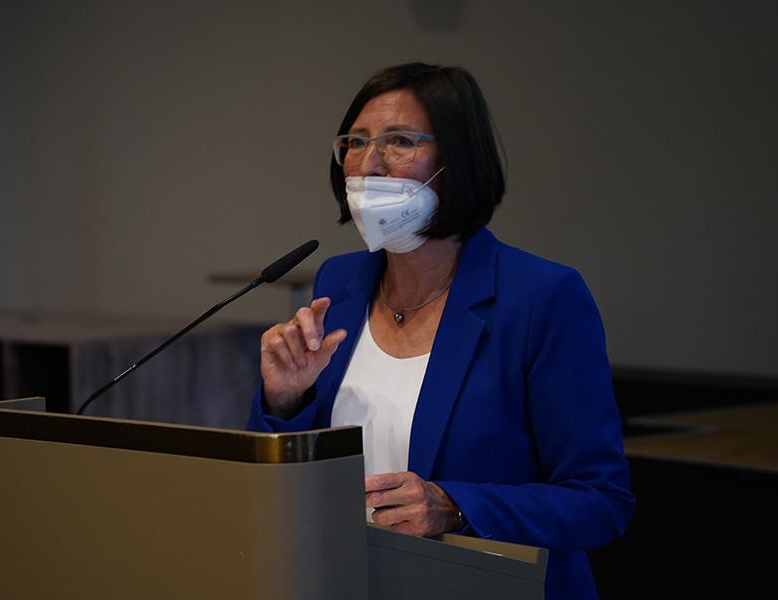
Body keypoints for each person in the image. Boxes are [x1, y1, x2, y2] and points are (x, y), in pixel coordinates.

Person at [247, 62, 634, 599]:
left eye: (399, 141)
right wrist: (284, 401)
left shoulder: (541, 297)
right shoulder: (341, 282)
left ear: (458, 159)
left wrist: (454, 507)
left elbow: (601, 501)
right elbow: (289, 490)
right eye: (354, 143)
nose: (369, 165)